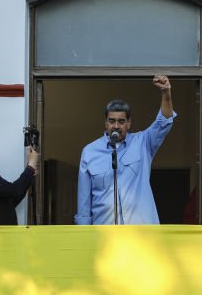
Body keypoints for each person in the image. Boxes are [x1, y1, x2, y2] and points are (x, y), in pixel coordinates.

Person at [75, 74, 175, 225]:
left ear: (129, 123)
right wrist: (84, 237)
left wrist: (166, 93)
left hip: (141, 234)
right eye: (112, 121)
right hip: (104, 235)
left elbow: (164, 122)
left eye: (121, 121)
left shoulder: (143, 142)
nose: (116, 126)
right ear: (105, 123)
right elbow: (84, 203)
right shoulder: (90, 152)